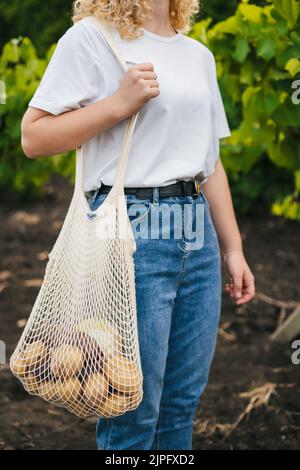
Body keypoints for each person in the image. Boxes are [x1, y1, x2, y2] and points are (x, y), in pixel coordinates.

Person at [21, 0, 255, 450]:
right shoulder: (93, 38)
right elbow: (34, 137)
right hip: (129, 231)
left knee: (182, 403)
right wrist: (118, 104)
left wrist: (232, 249)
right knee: (132, 407)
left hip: (197, 233)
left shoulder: (197, 56)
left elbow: (210, 163)